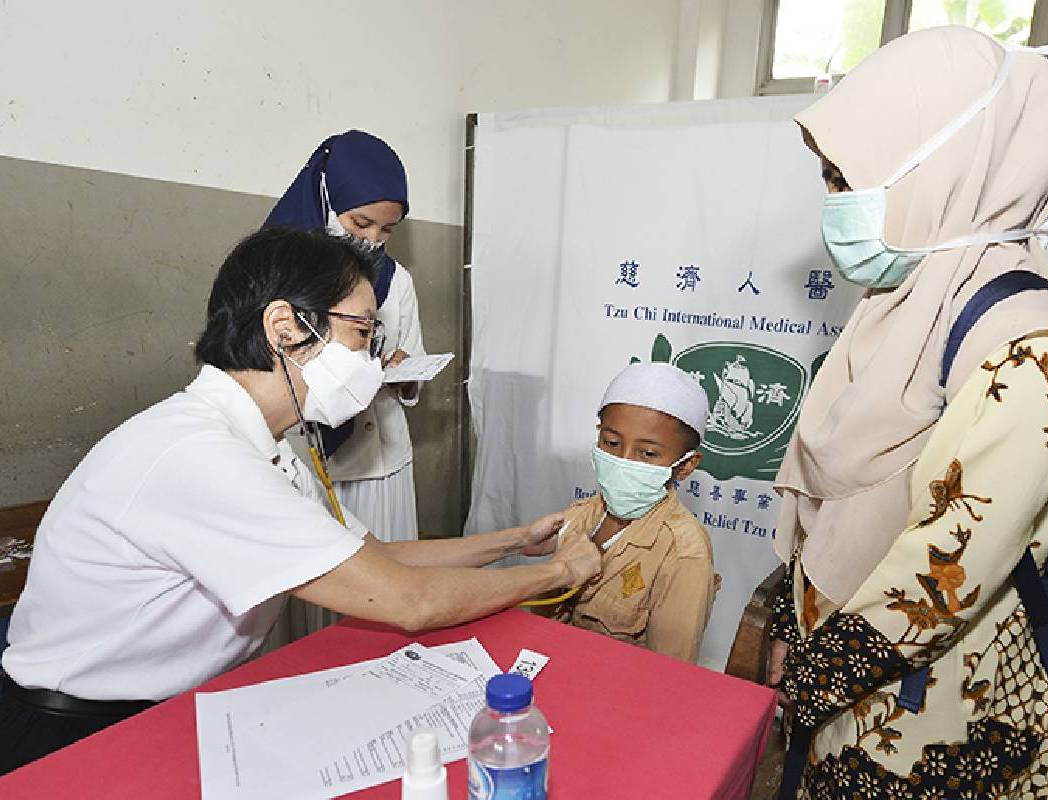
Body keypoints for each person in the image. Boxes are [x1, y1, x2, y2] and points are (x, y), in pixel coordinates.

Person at [0, 228, 600, 775]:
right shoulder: (198, 454)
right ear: (285, 328)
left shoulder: (269, 445)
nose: (371, 360)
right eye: (361, 333)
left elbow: (378, 558)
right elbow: (406, 600)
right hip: (72, 733)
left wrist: (516, 540)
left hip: (159, 712)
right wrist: (557, 572)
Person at [765, 27, 1048, 799]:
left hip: (936, 729)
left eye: (849, 179)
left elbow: (942, 574)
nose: (835, 204)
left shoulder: (1028, 350)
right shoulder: (905, 302)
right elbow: (830, 502)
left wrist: (813, 673)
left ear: (943, 167)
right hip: (844, 693)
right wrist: (793, 623)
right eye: (830, 178)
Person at [264, 130, 424, 545]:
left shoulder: (396, 280)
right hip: (316, 460)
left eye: (387, 230)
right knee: (327, 575)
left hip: (383, 457)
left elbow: (413, 367)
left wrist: (404, 372)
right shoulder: (279, 273)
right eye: (360, 223)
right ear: (327, 202)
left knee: (392, 575)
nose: (371, 240)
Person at [551, 362, 716, 663]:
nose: (623, 461)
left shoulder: (683, 553)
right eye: (612, 443)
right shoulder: (582, 515)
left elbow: (668, 672)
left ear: (685, 465)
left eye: (648, 453)